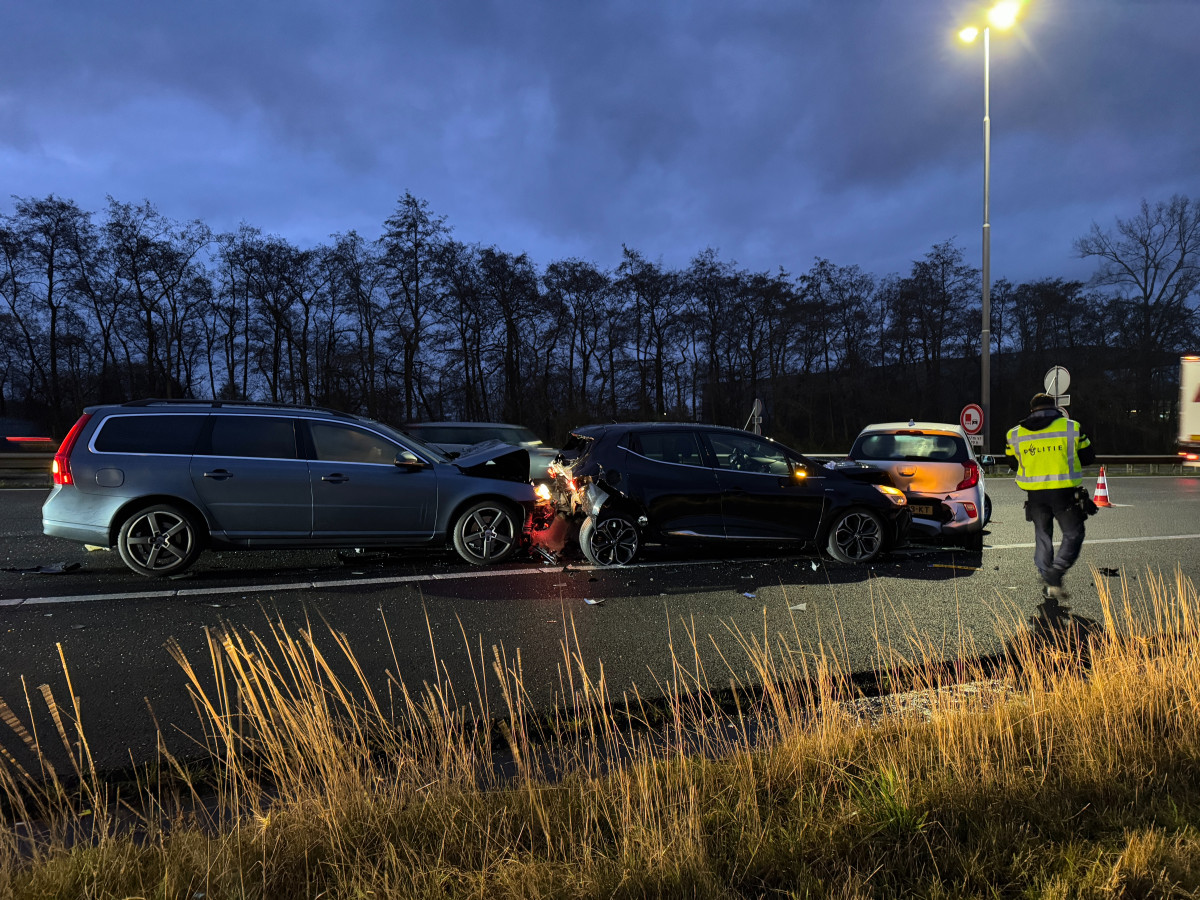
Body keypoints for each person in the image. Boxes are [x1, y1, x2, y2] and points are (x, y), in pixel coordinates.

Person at [1004, 393, 1096, 601]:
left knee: (1043, 536)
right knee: (1073, 533)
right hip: (1064, 493)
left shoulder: (1014, 434)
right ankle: (1056, 572)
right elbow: (1089, 457)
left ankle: (1049, 580)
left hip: (1035, 495)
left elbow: (1012, 463)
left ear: (1031, 410)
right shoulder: (1071, 427)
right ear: (1055, 408)